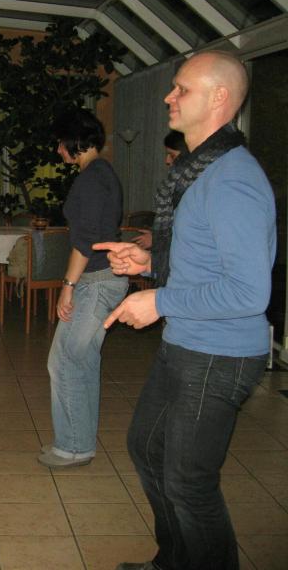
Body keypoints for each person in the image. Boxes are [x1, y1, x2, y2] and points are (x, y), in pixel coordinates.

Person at [95, 51, 275, 570]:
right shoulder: (201, 171)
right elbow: (207, 262)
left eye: (182, 89)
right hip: (187, 343)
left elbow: (249, 292)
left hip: (219, 354)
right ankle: (174, 560)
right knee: (147, 448)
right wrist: (150, 263)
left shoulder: (232, 179)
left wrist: (159, 300)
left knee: (189, 482)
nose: (168, 97)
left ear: (219, 97)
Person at [37, 108, 129, 469]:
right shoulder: (102, 173)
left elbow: (85, 240)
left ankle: (72, 447)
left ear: (75, 140)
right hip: (103, 279)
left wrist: (68, 286)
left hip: (95, 281)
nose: (58, 150)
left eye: (61, 143)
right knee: (83, 361)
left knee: (64, 361)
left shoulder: (91, 178)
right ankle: (79, 443)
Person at [132, 130, 188, 249]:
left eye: (172, 155)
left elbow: (187, 230)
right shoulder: (177, 182)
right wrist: (156, 234)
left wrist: (157, 238)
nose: (167, 161)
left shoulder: (191, 187)